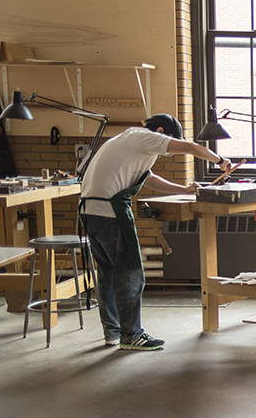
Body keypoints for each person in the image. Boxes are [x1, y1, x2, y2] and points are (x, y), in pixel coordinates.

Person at [80, 114, 235, 350]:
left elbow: (148, 179)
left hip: (90, 212)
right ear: (161, 131)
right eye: (170, 142)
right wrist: (220, 160)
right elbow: (192, 148)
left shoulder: (127, 142)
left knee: (109, 273)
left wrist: (184, 189)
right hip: (110, 212)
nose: (169, 151)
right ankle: (132, 335)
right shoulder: (145, 137)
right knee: (130, 273)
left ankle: (113, 332)